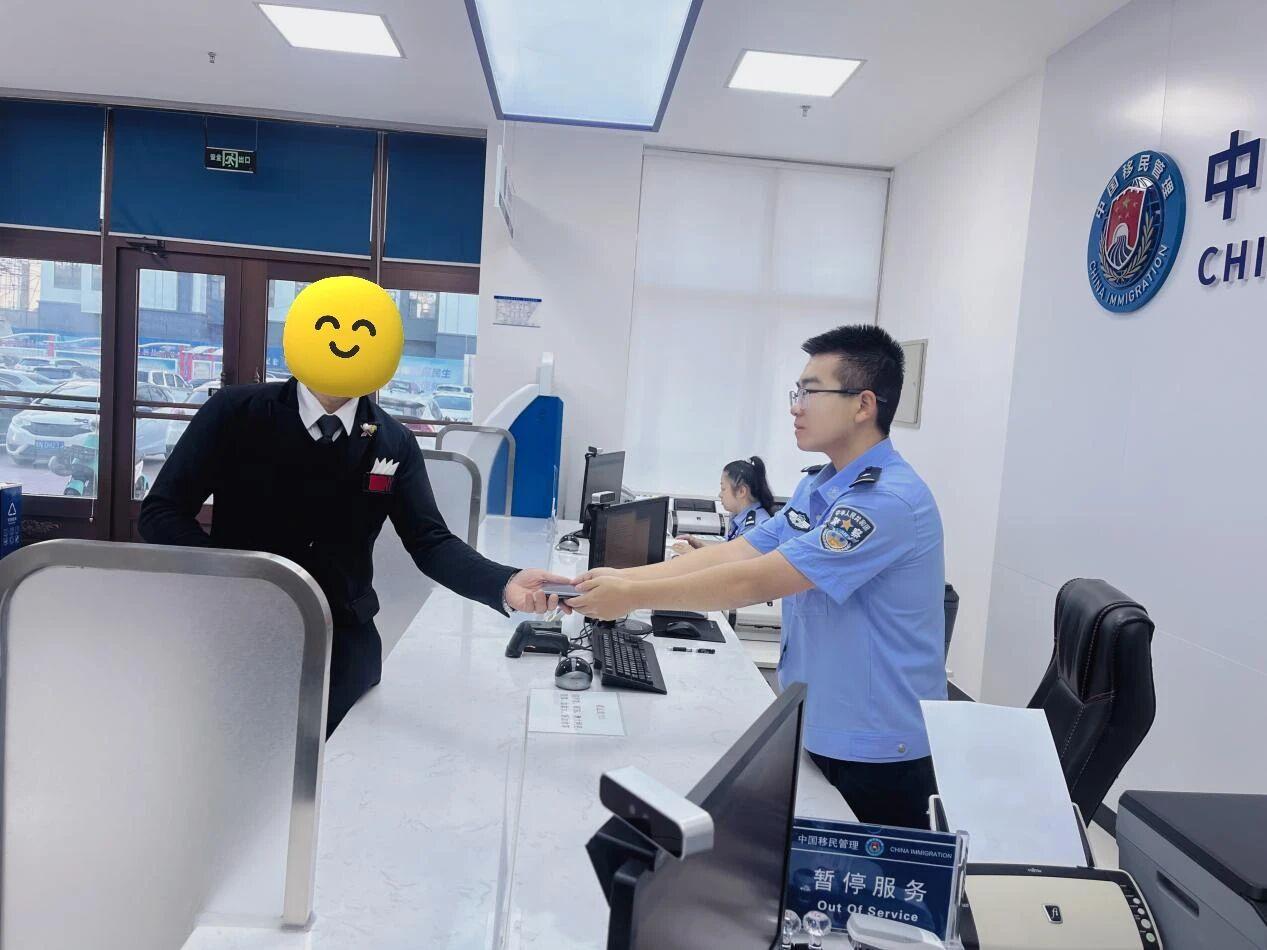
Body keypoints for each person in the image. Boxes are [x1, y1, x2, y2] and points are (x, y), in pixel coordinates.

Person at [140, 276, 567, 736]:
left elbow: (430, 541)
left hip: (343, 645)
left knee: (343, 768)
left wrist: (505, 582)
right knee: (230, 755)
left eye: (364, 331)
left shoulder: (393, 441)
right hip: (238, 634)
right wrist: (236, 578)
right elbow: (161, 512)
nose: (346, 340)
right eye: (329, 326)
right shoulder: (234, 413)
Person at [568, 325, 946, 828]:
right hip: (820, 724)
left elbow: (755, 581)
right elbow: (738, 553)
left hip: (878, 754)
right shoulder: (821, 487)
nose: (795, 407)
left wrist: (631, 595)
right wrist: (620, 577)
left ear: (863, 405)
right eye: (797, 392)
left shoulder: (884, 501)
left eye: (810, 392)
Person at [672, 456, 776, 554]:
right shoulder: (740, 518)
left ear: (741, 491)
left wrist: (692, 554)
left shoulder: (754, 526)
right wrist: (698, 545)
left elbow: (734, 562)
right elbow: (726, 554)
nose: (720, 495)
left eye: (723, 489)